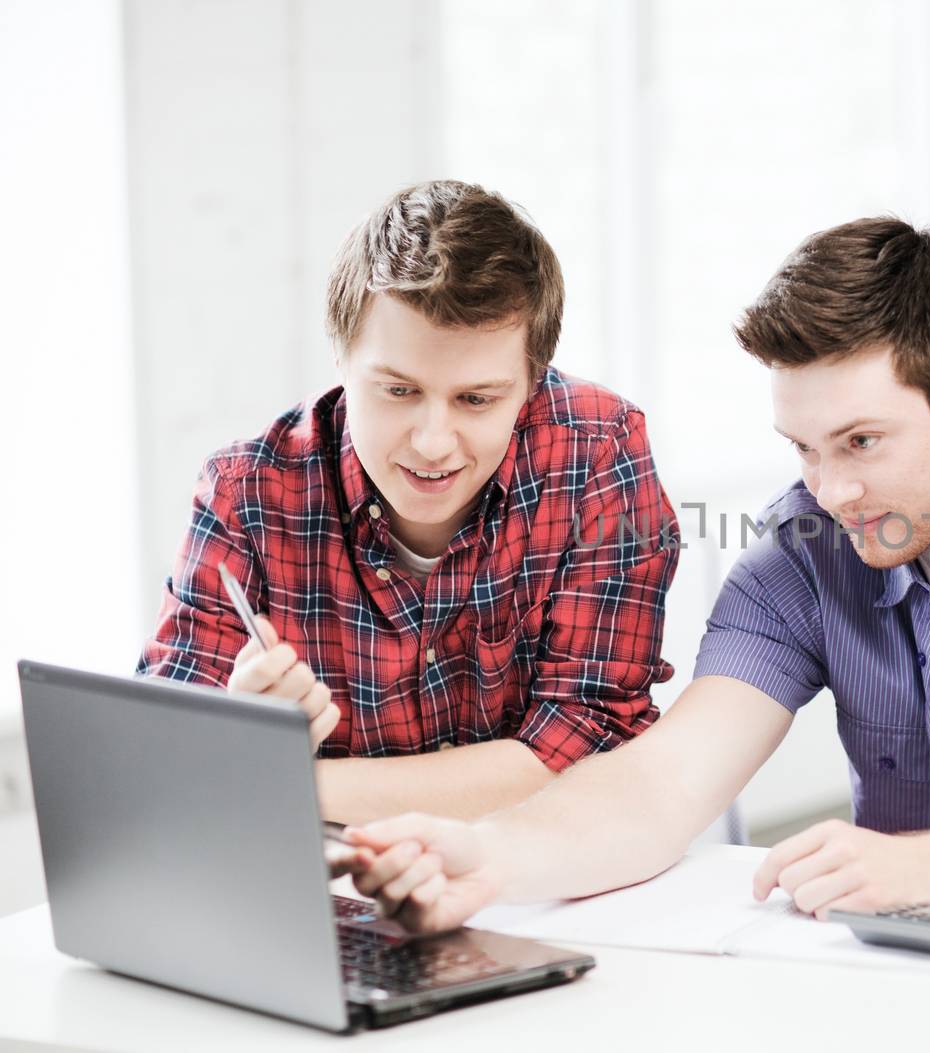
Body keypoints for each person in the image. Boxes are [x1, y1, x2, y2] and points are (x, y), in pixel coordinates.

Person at [339, 217, 930, 932]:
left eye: (862, 441)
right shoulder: (804, 551)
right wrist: (489, 857)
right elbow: (664, 780)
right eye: (804, 447)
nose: (831, 488)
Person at [138, 180, 679, 825]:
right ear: (340, 357)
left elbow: (590, 741)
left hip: (539, 873)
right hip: (337, 887)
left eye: (476, 400)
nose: (432, 442)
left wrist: (283, 782)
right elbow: (165, 768)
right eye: (398, 391)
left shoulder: (597, 449)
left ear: (532, 385)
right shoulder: (247, 491)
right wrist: (236, 739)